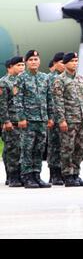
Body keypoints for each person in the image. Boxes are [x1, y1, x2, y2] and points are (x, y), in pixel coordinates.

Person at [53, 52, 83, 187]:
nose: (74, 63)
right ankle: (67, 174)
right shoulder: (60, 80)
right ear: (65, 64)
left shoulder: (82, 79)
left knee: (80, 147)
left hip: (82, 119)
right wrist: (62, 120)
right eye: (72, 61)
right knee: (67, 148)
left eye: (76, 61)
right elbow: (58, 102)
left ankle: (76, 173)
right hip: (69, 120)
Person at [14, 50, 53, 188]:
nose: (33, 62)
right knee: (27, 149)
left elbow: (49, 98)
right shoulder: (21, 78)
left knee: (39, 148)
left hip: (42, 119)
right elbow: (18, 100)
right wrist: (22, 118)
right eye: (31, 60)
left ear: (39, 61)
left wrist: (50, 116)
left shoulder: (44, 77)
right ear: (26, 62)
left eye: (36, 59)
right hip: (29, 120)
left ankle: (37, 175)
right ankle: (27, 176)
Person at [0, 56, 25, 187]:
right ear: (10, 67)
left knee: (21, 149)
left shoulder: (22, 81)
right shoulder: (4, 82)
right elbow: (2, 104)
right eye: (19, 65)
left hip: (23, 121)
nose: (22, 67)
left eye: (22, 65)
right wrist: (6, 121)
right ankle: (12, 176)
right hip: (11, 122)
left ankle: (19, 175)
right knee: (12, 150)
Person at [47, 52, 65, 185]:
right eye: (61, 62)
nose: (64, 65)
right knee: (54, 146)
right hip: (53, 118)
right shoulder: (49, 78)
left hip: (66, 117)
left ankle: (62, 172)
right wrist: (50, 117)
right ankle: (54, 174)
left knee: (64, 146)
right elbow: (48, 100)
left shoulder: (66, 78)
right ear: (55, 63)